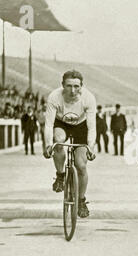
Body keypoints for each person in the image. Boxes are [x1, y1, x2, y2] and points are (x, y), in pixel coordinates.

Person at [43, 70, 96, 218]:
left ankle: (81, 200)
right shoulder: (54, 97)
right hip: (62, 124)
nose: (73, 90)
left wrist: (90, 147)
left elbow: (92, 127)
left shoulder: (89, 98)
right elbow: (48, 124)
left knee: (81, 165)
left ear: (81, 86)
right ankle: (60, 175)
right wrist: (48, 145)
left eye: (76, 86)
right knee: (58, 141)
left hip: (81, 126)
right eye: (69, 86)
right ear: (62, 85)